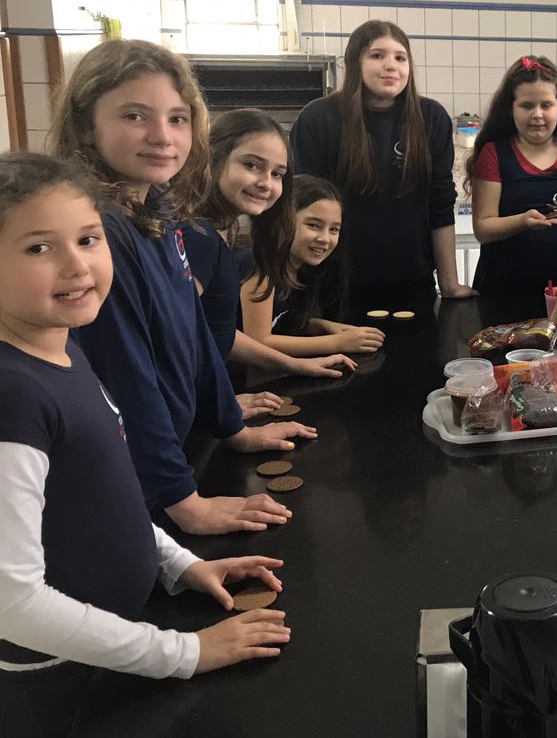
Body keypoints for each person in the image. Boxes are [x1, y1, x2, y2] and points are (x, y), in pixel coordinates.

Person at [0, 152, 291, 738]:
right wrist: (184, 653)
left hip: (114, 640)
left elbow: (105, 496)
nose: (76, 265)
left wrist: (178, 564)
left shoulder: (62, 344)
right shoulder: (14, 396)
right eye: (39, 247)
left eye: (88, 239)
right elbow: (14, 603)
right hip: (60, 682)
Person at [49, 39, 312, 536]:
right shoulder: (98, 231)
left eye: (177, 118)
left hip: (166, 453)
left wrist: (231, 426)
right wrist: (183, 500)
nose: (162, 136)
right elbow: (126, 373)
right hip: (124, 479)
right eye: (135, 116)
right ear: (85, 126)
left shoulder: (157, 211)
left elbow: (195, 334)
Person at [290, 20, 473, 309]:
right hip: (332, 285)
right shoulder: (319, 118)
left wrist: (449, 283)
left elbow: (440, 204)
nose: (391, 66)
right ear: (355, 62)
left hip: (412, 283)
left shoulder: (431, 118)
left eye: (400, 58)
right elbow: (301, 207)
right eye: (377, 55)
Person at [186, 109, 356, 378]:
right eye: (251, 165)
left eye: (277, 173)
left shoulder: (220, 232)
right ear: (214, 157)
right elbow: (172, 333)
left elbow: (218, 332)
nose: (266, 183)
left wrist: (298, 364)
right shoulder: (199, 236)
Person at [464, 55, 557, 303]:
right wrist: (522, 221)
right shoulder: (493, 154)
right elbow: (483, 229)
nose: (537, 114)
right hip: (501, 292)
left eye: (546, 105)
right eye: (526, 106)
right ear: (510, 108)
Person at [241, 176, 386, 357]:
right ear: (283, 220)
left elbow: (281, 322)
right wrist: (338, 342)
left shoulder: (302, 267)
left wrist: (320, 326)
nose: (325, 239)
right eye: (313, 225)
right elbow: (258, 341)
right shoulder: (259, 266)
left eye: (334, 229)